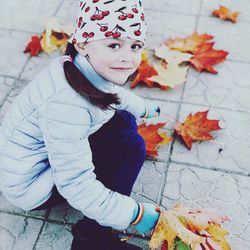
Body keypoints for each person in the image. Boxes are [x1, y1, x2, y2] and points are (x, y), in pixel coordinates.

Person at [0, 0, 161, 249]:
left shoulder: (78, 66)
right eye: (114, 44)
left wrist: (141, 107)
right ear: (82, 43)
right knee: (128, 146)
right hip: (30, 183)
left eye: (135, 46)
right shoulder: (65, 104)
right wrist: (137, 216)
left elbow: (105, 92)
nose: (127, 58)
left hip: (40, 158)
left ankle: (108, 193)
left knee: (125, 120)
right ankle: (92, 240)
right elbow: (75, 184)